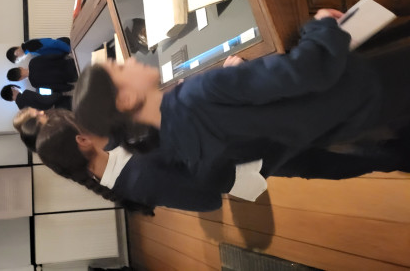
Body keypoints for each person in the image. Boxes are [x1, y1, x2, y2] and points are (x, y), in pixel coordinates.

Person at [73, 9, 410, 182]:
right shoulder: (198, 94)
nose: (131, 61)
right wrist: (320, 26)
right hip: (359, 87)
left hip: (344, 124)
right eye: (120, 69)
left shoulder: (181, 144)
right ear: (125, 101)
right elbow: (308, 71)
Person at [15, 108, 408, 213]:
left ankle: (391, 150)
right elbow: (206, 199)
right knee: (323, 159)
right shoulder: (137, 178)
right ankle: (395, 156)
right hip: (246, 159)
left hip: (241, 145)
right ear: (82, 140)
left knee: (321, 150)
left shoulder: (113, 159)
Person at [7, 53, 78, 92]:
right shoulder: (33, 62)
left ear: (20, 79)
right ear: (20, 68)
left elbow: (54, 87)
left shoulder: (34, 84)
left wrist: (69, 87)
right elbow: (52, 56)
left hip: (71, 77)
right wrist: (64, 54)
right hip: (70, 63)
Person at [0, 84, 72, 110]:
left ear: (10, 100)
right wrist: (57, 94)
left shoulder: (21, 110)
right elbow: (47, 101)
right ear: (13, 88)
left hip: (57, 114)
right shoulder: (25, 94)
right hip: (61, 104)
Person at [6, 37, 71, 63]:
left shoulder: (30, 46)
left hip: (66, 46)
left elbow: (54, 43)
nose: (21, 60)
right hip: (64, 51)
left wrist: (69, 50)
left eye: (18, 59)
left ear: (16, 53)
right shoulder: (30, 50)